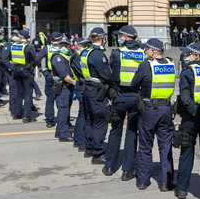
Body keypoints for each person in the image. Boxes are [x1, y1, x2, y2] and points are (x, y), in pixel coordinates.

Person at [131, 38, 176, 190]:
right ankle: (166, 182)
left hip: (149, 109)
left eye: (146, 50)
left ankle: (143, 180)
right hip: (166, 109)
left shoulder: (146, 65)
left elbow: (133, 84)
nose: (144, 52)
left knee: (145, 145)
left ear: (151, 51)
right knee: (165, 146)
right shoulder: (170, 64)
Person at [104, 25, 143, 181]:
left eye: (120, 36)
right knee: (132, 133)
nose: (119, 39)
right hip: (136, 98)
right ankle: (127, 170)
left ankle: (109, 166)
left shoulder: (117, 53)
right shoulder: (143, 53)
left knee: (115, 131)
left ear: (126, 37)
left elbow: (110, 73)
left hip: (120, 96)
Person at [174, 42, 200, 199]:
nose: (185, 56)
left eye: (188, 53)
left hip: (191, 118)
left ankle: (182, 189)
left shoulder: (187, 71)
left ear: (197, 55)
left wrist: (196, 114)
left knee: (186, 154)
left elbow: (185, 98)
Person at [81, 27, 113, 165]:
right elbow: (106, 75)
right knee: (100, 122)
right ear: (101, 38)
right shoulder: (97, 54)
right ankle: (98, 153)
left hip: (88, 89)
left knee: (90, 120)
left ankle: (89, 147)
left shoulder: (86, 51)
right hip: (98, 92)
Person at [51, 36, 77, 142]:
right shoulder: (57, 57)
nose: (63, 46)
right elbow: (63, 74)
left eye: (65, 45)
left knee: (66, 109)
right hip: (62, 87)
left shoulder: (67, 56)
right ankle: (63, 134)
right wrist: (75, 82)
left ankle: (59, 131)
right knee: (63, 110)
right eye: (62, 45)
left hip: (68, 87)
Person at [10, 30, 39, 123]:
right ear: (26, 37)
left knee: (19, 92)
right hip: (26, 71)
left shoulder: (14, 45)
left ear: (19, 36)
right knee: (27, 93)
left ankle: (17, 114)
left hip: (16, 70)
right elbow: (36, 58)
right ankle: (26, 116)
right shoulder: (28, 46)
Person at [36, 31, 62, 128]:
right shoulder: (63, 48)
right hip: (62, 76)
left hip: (50, 75)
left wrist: (41, 70)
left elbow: (37, 59)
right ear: (60, 38)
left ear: (51, 39)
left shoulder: (47, 48)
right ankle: (64, 119)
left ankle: (50, 121)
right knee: (62, 99)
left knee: (50, 99)